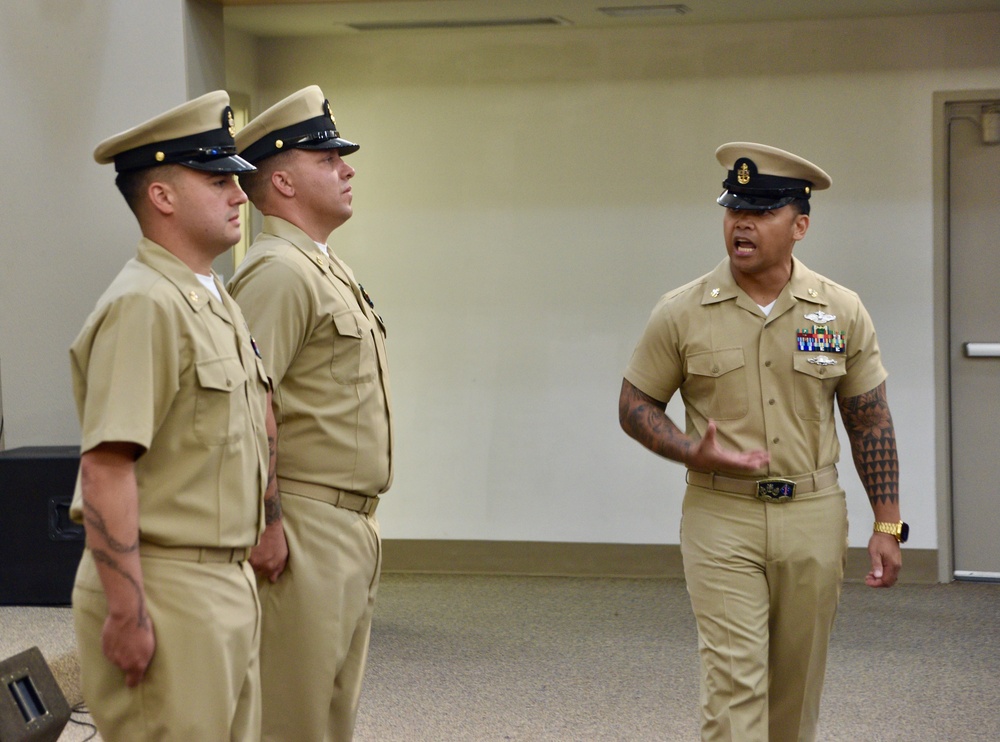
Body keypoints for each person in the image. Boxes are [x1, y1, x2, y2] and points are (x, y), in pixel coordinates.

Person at [618, 142, 907, 742]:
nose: (740, 222)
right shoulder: (682, 310)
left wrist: (888, 525)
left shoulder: (841, 310)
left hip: (812, 515)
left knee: (795, 690)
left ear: (800, 225)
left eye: (761, 210)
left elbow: (869, 419)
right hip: (722, 516)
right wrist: (685, 449)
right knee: (733, 687)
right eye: (732, 209)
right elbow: (636, 403)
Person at [69, 91, 277, 742]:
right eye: (218, 181)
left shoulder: (209, 300)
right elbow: (105, 469)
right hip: (167, 585)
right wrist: (127, 611)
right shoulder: (145, 305)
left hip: (223, 581)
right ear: (161, 196)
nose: (240, 197)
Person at [227, 85, 393, 742]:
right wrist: (265, 520)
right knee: (291, 720)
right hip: (302, 524)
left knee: (328, 716)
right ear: (285, 181)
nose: (347, 169)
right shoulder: (278, 273)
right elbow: (243, 404)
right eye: (329, 160)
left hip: (348, 524)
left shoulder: (325, 269)